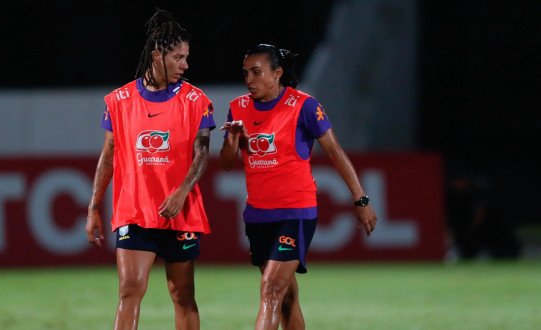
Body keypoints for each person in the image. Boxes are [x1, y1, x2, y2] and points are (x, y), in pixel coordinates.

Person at [219, 43, 377, 330]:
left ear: (277, 73)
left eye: (256, 72)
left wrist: (360, 198)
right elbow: (228, 162)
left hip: (295, 213)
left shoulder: (304, 106)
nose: (249, 80)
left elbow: (335, 151)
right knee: (286, 297)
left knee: (269, 290)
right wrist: (232, 140)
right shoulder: (238, 107)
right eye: (245, 73)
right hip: (257, 215)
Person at [85, 9, 215, 330]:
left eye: (187, 57)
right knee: (129, 290)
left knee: (182, 293)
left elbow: (202, 153)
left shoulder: (197, 100)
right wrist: (93, 207)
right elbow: (108, 154)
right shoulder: (119, 100)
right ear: (157, 55)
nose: (185, 65)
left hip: (179, 212)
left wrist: (182, 191)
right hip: (135, 211)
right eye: (178, 57)